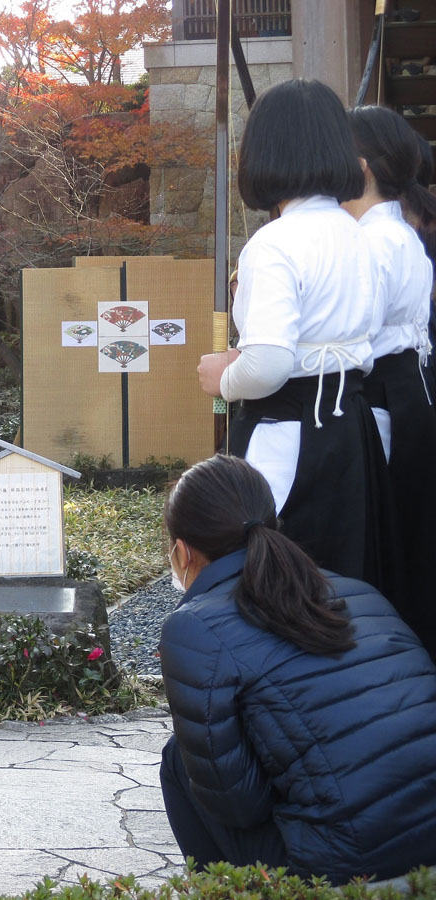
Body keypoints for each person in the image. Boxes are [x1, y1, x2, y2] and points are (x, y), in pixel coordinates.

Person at [159, 454, 436, 883]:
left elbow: (238, 807)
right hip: (428, 838)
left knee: (179, 758)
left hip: (349, 867)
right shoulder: (359, 592)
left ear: (182, 551)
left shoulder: (195, 626)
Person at [196, 79, 394, 592]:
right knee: (346, 578)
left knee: (283, 581)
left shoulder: (275, 243)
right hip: (350, 427)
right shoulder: (359, 235)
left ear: (264, 152)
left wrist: (224, 378)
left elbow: (269, 365)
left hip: (290, 431)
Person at [344, 105, 436, 652]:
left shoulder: (374, 240)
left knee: (391, 534)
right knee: (413, 532)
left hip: (384, 393)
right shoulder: (396, 232)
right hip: (409, 388)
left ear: (359, 167)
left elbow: (357, 336)